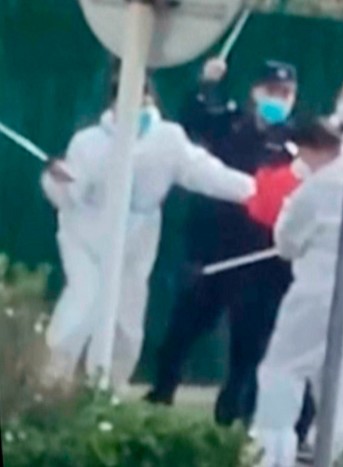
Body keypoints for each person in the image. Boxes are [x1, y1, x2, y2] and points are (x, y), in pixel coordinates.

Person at [41, 78, 255, 391]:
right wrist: (59, 181)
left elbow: (203, 171)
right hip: (87, 233)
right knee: (83, 302)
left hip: (138, 236)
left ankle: (110, 387)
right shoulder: (88, 142)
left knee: (127, 318)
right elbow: (67, 193)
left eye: (143, 99)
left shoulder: (167, 139)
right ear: (113, 104)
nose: (139, 107)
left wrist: (253, 191)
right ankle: (52, 384)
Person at [144, 58, 315, 431]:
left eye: (286, 93)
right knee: (183, 328)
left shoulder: (297, 141)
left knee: (248, 342)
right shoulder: (229, 122)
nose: (278, 99)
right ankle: (160, 395)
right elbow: (193, 123)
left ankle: (230, 414)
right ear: (255, 91)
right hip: (213, 248)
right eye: (271, 90)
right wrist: (204, 85)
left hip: (262, 258)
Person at [251, 119, 343, 466]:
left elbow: (287, 242)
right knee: (336, 365)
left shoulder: (311, 192)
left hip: (319, 285)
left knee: (282, 367)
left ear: (309, 149)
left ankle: (272, 449)